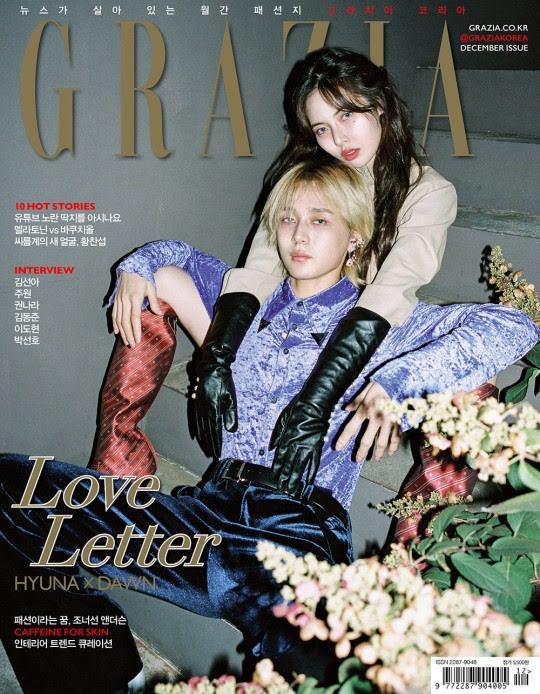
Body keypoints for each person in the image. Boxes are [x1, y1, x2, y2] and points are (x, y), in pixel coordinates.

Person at [3, 160, 538, 693]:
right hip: (202, 519)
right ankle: (109, 672)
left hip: (294, 536)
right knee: (11, 487)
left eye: (320, 220)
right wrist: (134, 268)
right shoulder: (243, 305)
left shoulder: (383, 325)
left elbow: (514, 325)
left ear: (355, 236)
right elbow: (172, 258)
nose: (298, 235)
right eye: (287, 218)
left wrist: (395, 381)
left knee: (335, 666)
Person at [94, 47, 458, 486]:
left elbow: (389, 294)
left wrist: (317, 401)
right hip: (281, 325)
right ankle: (118, 473)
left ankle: (423, 528)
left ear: (379, 105)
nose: (338, 139)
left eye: (347, 115)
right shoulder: (306, 180)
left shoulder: (428, 193)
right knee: (158, 281)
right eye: (322, 128)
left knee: (470, 374)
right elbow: (259, 271)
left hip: (347, 343)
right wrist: (216, 360)